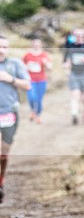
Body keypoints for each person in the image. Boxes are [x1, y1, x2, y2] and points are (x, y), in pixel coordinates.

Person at [0, 35, 32, 202]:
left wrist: (10, 79)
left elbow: (27, 85)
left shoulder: (14, 64)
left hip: (9, 113)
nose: (1, 50)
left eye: (4, 47)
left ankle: (1, 181)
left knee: (3, 154)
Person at [62, 28, 84, 125]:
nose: (79, 37)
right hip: (73, 73)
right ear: (74, 36)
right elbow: (65, 59)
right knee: (74, 94)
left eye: (80, 35)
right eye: (77, 35)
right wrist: (66, 64)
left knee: (83, 96)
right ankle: (74, 114)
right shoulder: (70, 46)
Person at [22, 38, 52, 124]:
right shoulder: (27, 55)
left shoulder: (44, 55)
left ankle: (38, 115)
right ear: (32, 45)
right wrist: (26, 67)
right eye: (35, 44)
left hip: (41, 80)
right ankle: (33, 110)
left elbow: (50, 67)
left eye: (38, 44)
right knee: (31, 97)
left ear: (41, 45)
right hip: (30, 80)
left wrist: (46, 63)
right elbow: (21, 67)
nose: (36, 46)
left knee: (39, 100)